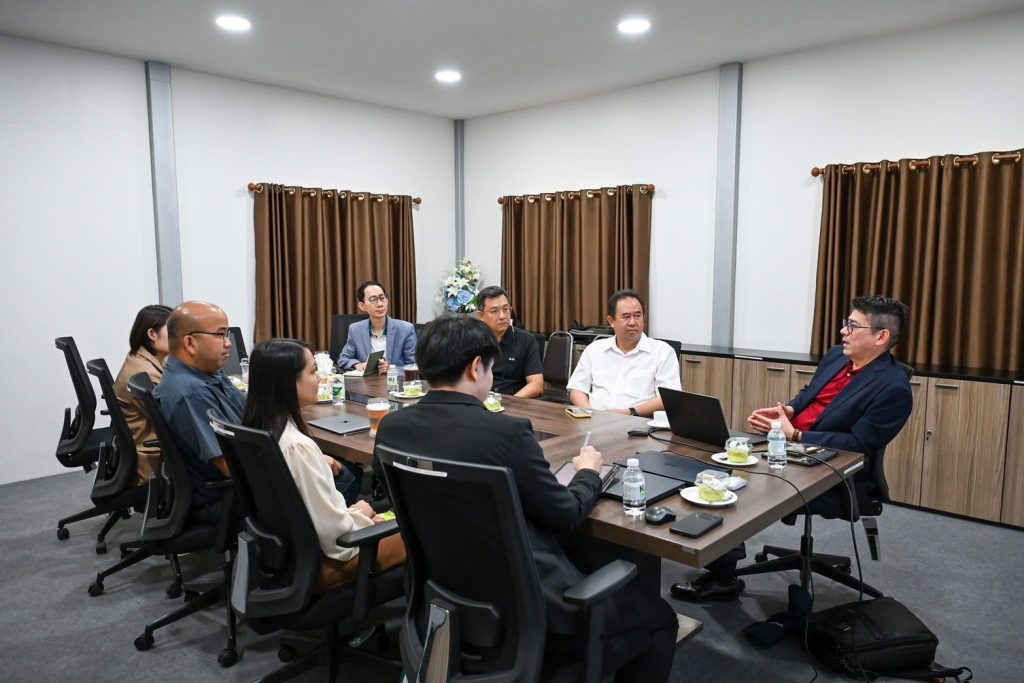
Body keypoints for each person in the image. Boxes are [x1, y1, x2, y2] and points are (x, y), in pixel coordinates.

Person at [375, 316, 677, 681]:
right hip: (528, 608)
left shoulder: (391, 427)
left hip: (439, 594)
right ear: (476, 367)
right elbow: (566, 514)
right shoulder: (506, 434)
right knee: (660, 619)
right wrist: (587, 472)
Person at [671, 295, 913, 602]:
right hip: (784, 446)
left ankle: (722, 579)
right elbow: (810, 394)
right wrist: (789, 410)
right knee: (712, 463)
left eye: (853, 326)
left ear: (881, 336)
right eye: (846, 323)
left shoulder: (894, 388)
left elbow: (859, 445)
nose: (843, 331)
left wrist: (797, 434)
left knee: (734, 489)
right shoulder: (837, 357)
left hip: (830, 471)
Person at [242, 338, 406, 592]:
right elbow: (335, 536)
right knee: (419, 531)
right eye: (313, 371)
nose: (320, 378)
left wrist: (351, 513)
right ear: (289, 382)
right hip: (324, 561)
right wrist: (361, 514)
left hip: (286, 557)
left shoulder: (259, 428)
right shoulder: (297, 446)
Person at [567, 289, 680, 417]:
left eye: (637, 316)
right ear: (611, 321)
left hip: (636, 422)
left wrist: (630, 412)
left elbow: (667, 398)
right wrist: (589, 414)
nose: (632, 322)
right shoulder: (595, 349)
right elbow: (577, 389)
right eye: (626, 317)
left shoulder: (662, 352)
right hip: (594, 421)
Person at [114, 304, 173, 486]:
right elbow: (171, 420)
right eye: (172, 330)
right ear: (152, 334)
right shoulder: (145, 373)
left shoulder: (140, 357)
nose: (179, 336)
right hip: (152, 456)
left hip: (144, 444)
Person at [475, 285, 543, 397]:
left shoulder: (526, 340)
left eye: (505, 309)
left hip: (514, 401)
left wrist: (510, 402)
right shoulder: (471, 339)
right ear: (481, 315)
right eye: (494, 311)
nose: (502, 316)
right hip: (479, 401)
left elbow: (536, 385)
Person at [337, 280, 416, 374]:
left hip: (395, 382)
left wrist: (391, 370)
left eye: (382, 298)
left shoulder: (406, 329)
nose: (380, 304)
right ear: (362, 306)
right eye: (373, 299)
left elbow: (414, 365)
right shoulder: (355, 330)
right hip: (366, 382)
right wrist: (358, 365)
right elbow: (343, 358)